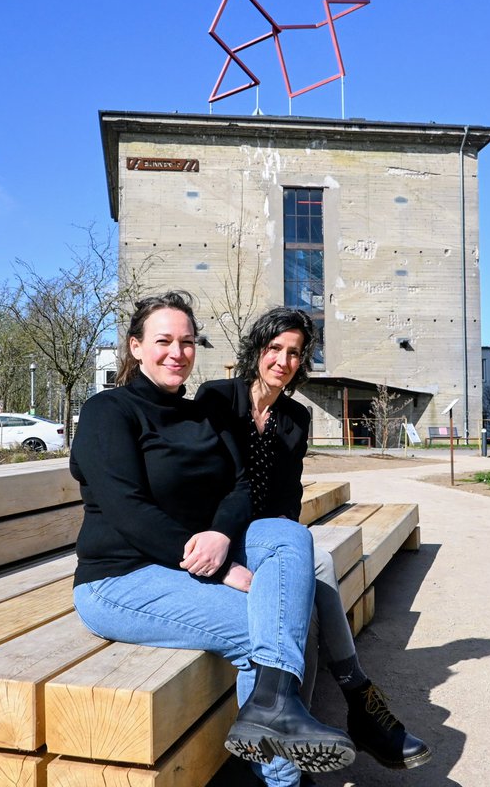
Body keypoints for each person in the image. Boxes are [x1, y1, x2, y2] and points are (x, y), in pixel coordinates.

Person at [70, 291, 354, 787]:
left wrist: (222, 535)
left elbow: (239, 486)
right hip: (120, 578)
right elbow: (126, 509)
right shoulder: (108, 411)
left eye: (186, 342)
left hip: (187, 560)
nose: (176, 352)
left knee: (289, 534)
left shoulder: (200, 414)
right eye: (163, 341)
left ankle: (277, 717)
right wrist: (223, 569)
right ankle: (282, 778)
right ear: (135, 347)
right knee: (262, 627)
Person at [196, 307, 432, 774]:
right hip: (217, 535)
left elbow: (288, 497)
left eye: (294, 353)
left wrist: (282, 552)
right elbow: (203, 482)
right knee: (314, 567)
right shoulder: (218, 398)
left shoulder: (295, 417)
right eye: (275, 349)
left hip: (268, 537)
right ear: (257, 350)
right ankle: (357, 702)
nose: (283, 361)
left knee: (308, 564)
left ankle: (310, 725)